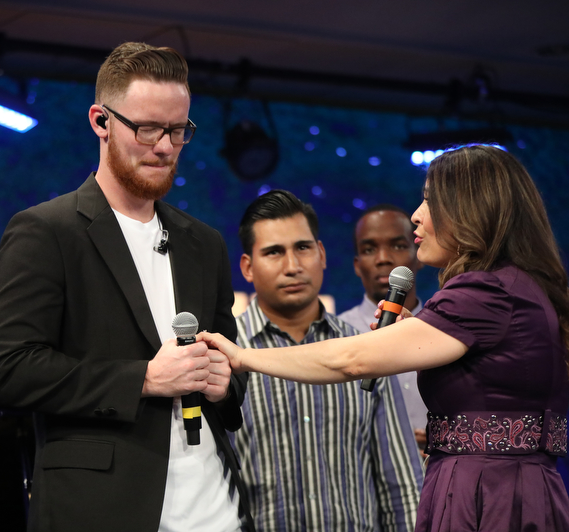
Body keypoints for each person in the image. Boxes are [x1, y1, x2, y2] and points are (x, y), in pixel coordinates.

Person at [202, 145, 569, 531]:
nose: (416, 215)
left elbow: (351, 361)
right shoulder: (513, 289)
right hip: (504, 489)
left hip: (490, 496)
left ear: (472, 210)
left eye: (430, 200)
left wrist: (242, 357)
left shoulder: (487, 292)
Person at [0, 42, 253, 532]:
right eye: (147, 128)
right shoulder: (46, 231)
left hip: (219, 512)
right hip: (103, 509)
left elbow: (228, 368)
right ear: (100, 121)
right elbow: (11, 371)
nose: (165, 147)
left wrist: (222, 384)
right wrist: (145, 379)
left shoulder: (204, 243)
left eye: (178, 130)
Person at [233, 190, 423, 531]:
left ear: (321, 254)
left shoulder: (367, 349)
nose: (293, 266)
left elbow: (402, 485)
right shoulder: (227, 355)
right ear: (247, 267)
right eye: (274, 252)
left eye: (302, 248)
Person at [339, 204, 429, 453]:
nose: (383, 258)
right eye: (369, 250)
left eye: (398, 246)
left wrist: (444, 436)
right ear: (357, 265)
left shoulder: (444, 329)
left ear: (418, 253)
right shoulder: (337, 334)